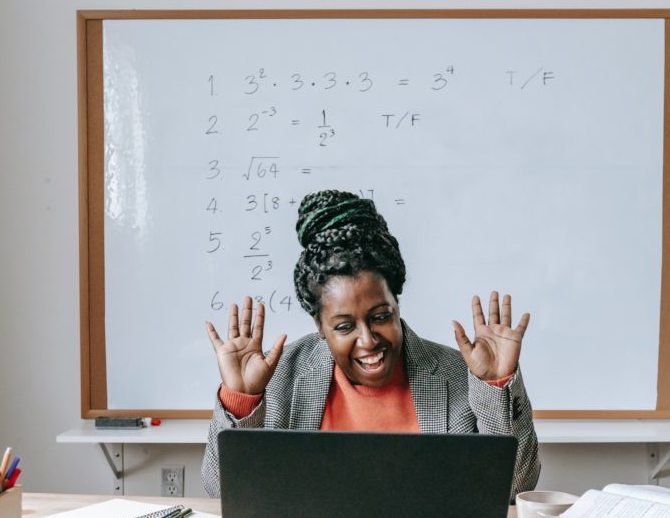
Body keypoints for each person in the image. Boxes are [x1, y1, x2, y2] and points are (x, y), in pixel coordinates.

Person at [201, 189, 540, 499]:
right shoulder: (278, 378)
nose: (368, 340)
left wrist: (496, 386)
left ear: (396, 304)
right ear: (320, 325)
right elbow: (221, 492)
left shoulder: (459, 375)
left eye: (380, 317)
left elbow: (514, 489)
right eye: (345, 326)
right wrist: (242, 401)